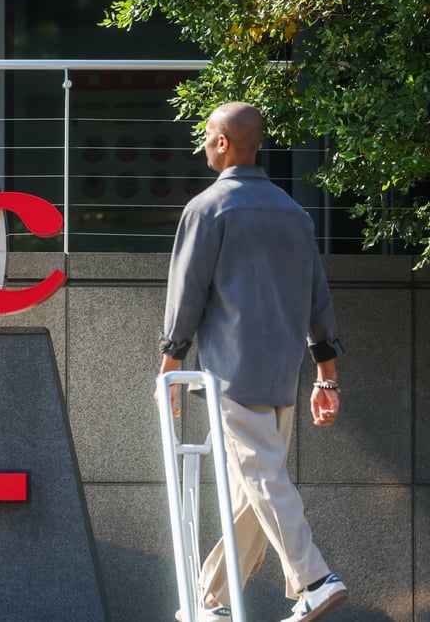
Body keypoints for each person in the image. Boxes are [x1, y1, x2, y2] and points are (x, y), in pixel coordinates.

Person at [157, 102, 348, 621]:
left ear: (222, 143)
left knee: (261, 480)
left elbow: (187, 294)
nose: (204, 146)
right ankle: (210, 598)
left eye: (207, 137)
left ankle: (315, 579)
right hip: (282, 375)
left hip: (229, 373)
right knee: (251, 491)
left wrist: (170, 365)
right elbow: (318, 299)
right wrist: (327, 377)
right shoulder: (294, 213)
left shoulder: (207, 208)